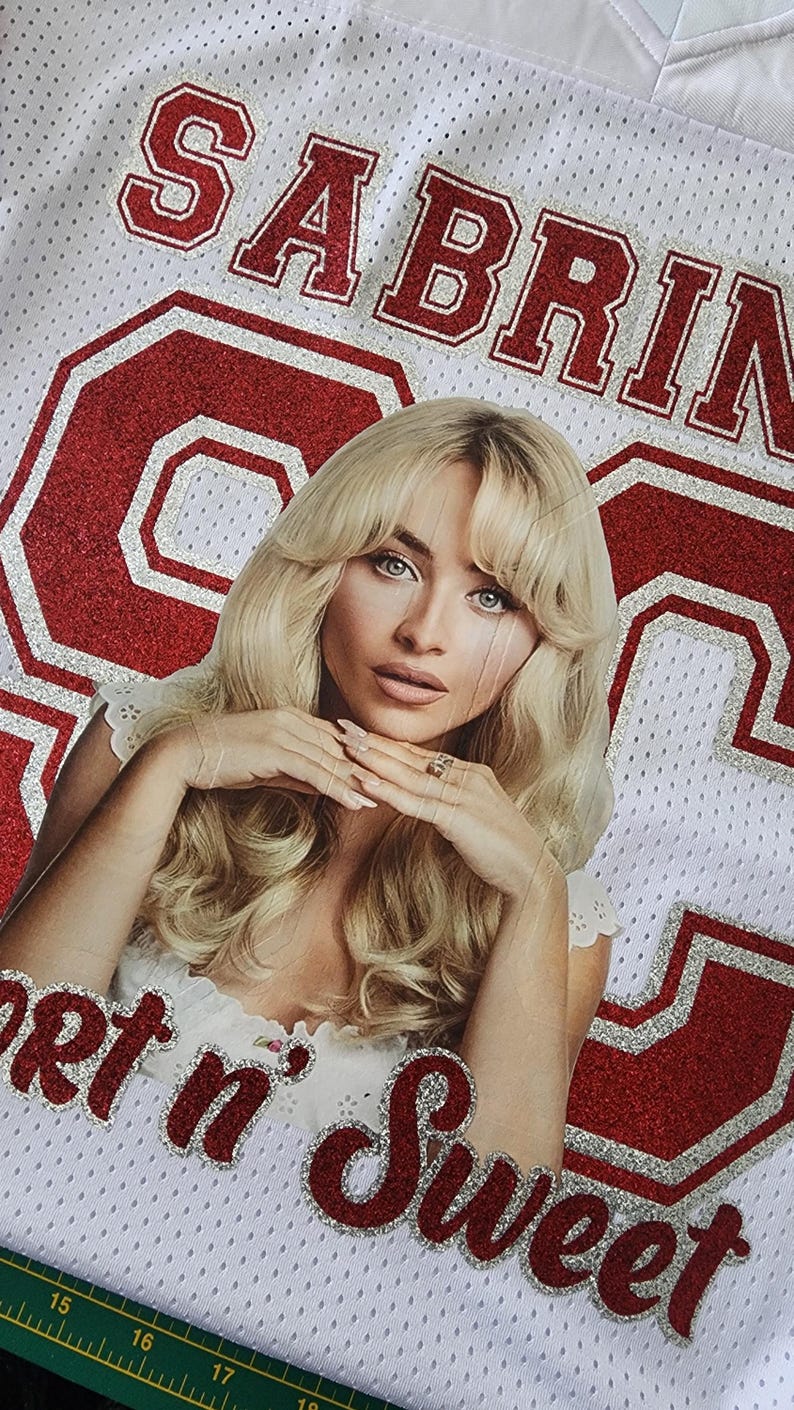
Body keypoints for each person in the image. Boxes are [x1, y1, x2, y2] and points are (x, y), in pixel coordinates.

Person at [0, 397, 621, 1175]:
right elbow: (12, 1057)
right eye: (394, 564)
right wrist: (169, 769)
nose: (425, 632)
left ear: (545, 637)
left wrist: (533, 896)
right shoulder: (139, 744)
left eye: (491, 596)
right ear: (324, 571)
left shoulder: (563, 920)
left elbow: (488, 1240)